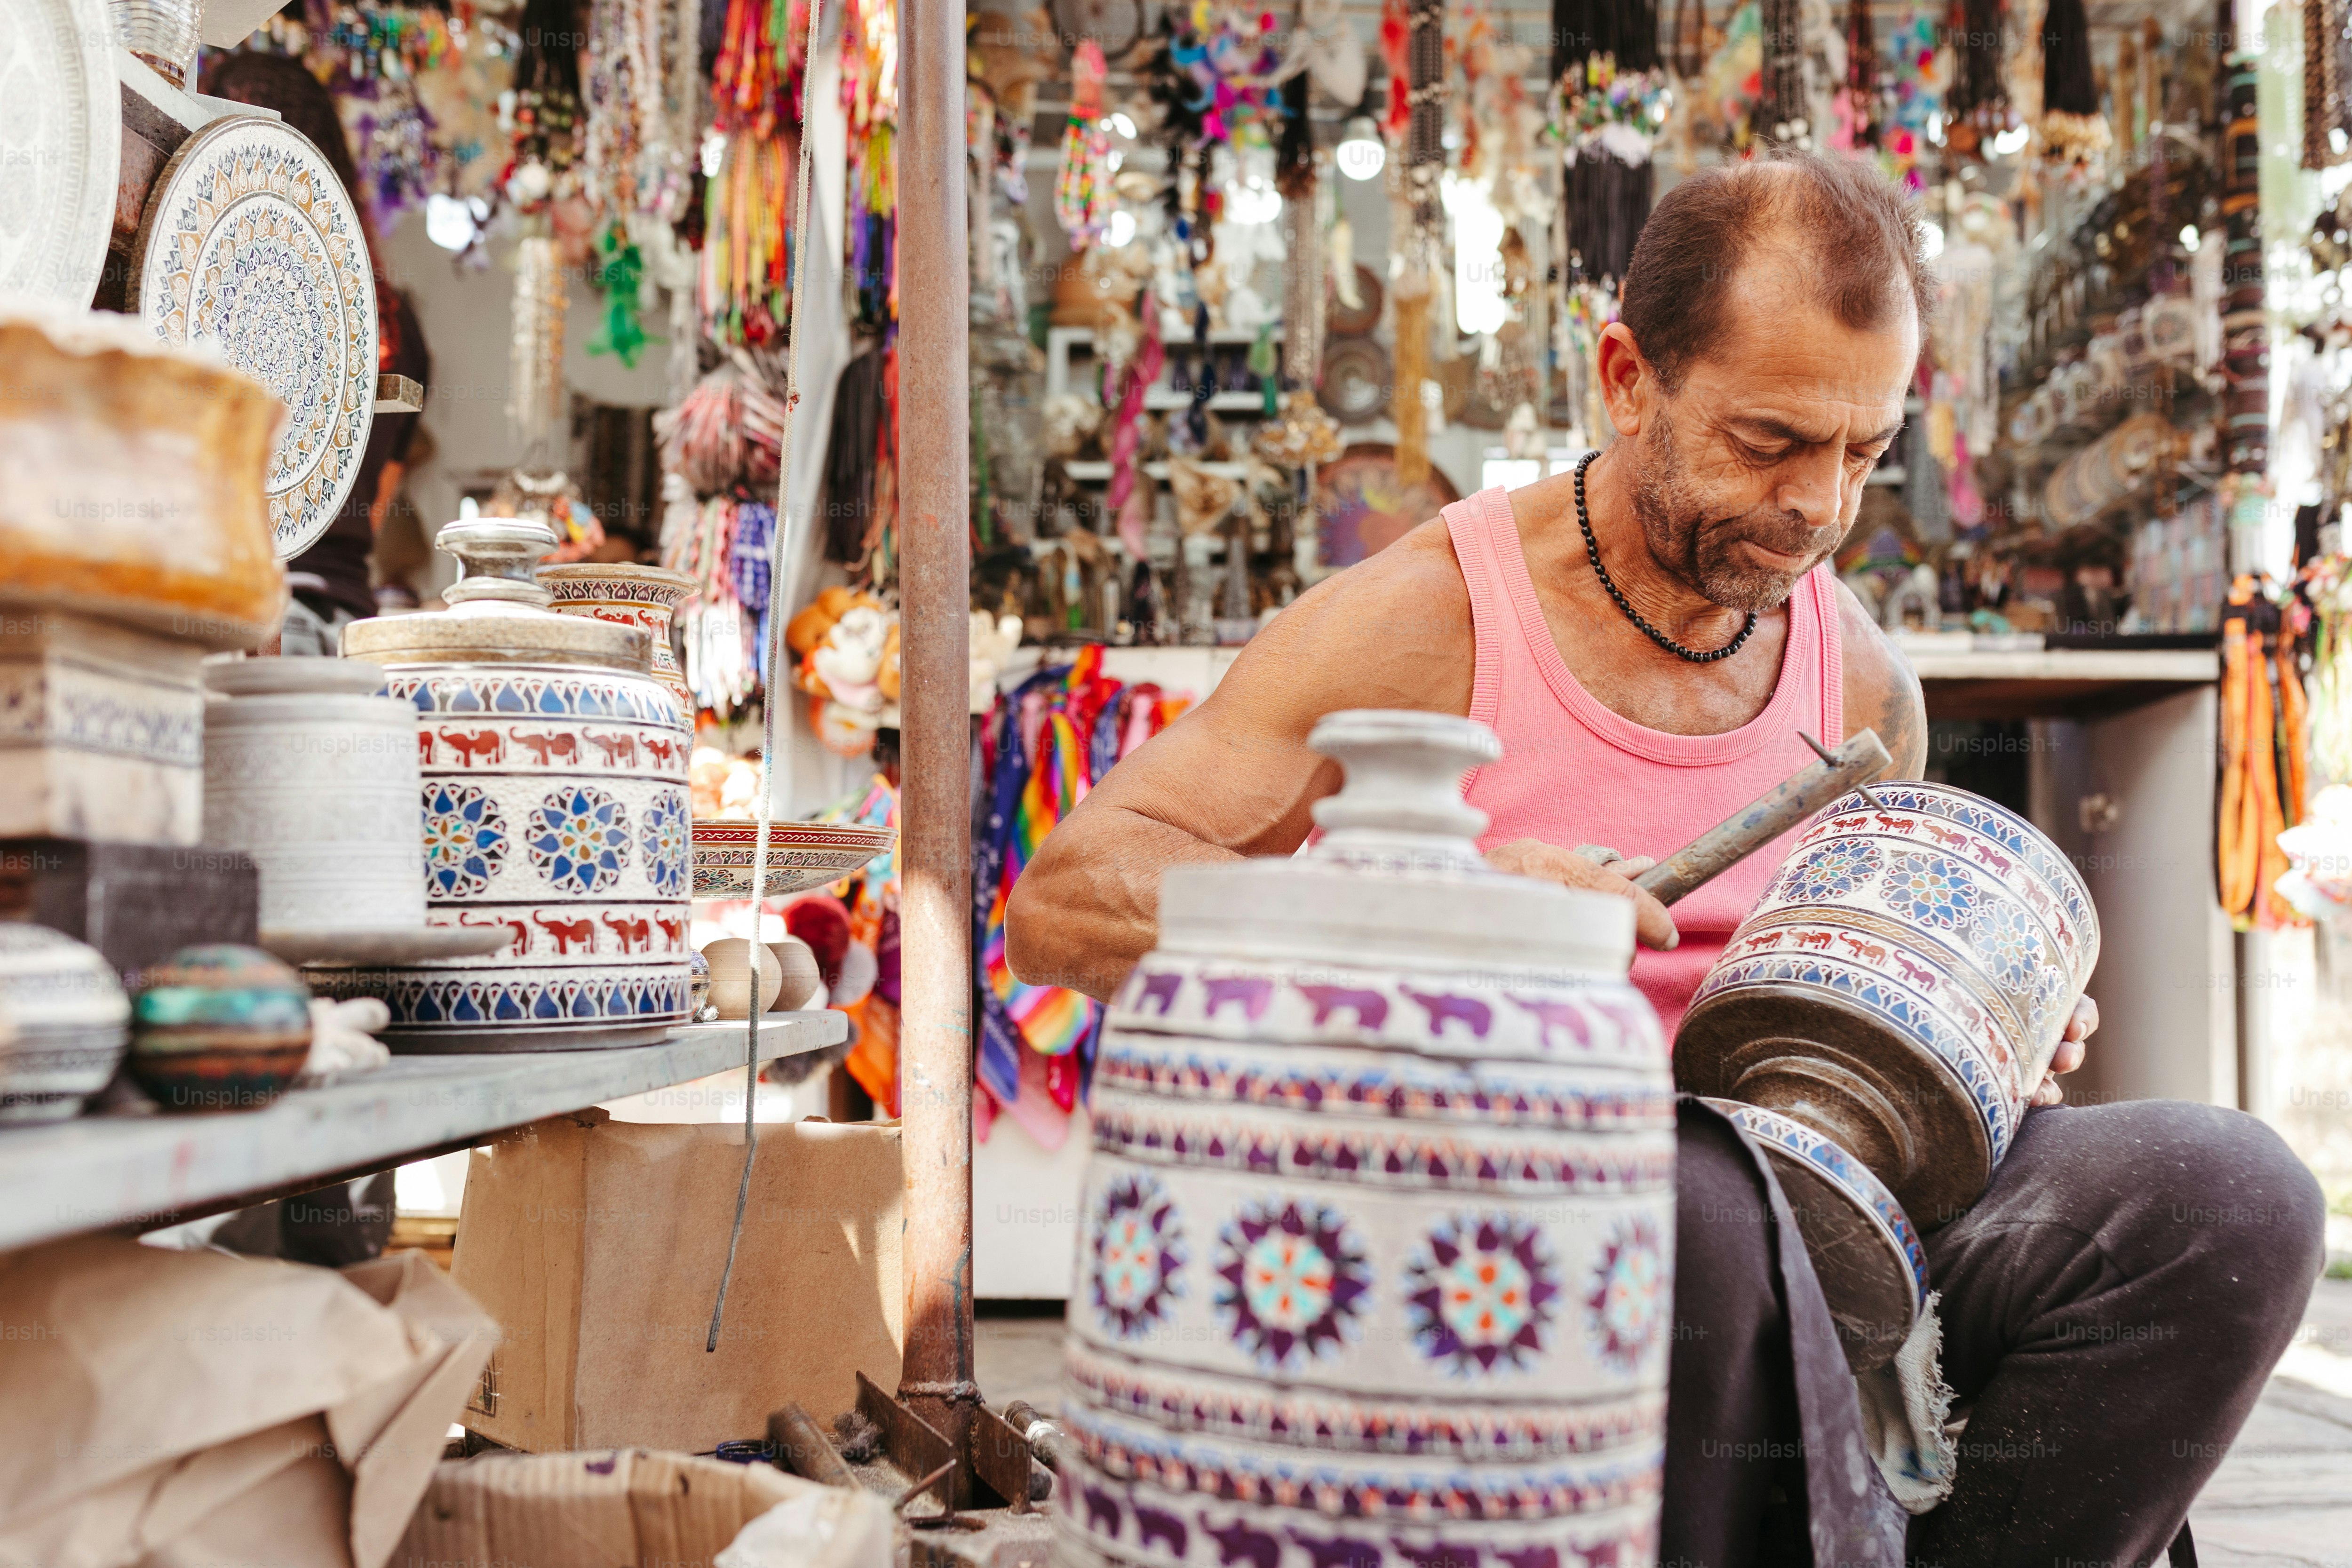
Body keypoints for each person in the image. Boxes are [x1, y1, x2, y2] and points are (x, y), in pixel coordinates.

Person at [1006, 151, 2324, 1567]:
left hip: (1835, 1220)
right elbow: (1065, 901)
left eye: (1862, 449)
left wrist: (1980, 1032)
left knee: (2225, 1192)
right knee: (1695, 1196)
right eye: (1768, 441)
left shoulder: (1862, 682)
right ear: (1626, 376)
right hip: (1546, 1229)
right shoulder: (1425, 619)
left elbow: (1871, 1029)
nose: (1821, 505)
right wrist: (1432, 914)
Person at [201, 53, 433, 655]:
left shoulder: (216, 288)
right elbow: (372, 508)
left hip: (247, 617)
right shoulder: (392, 323)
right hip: (346, 624)